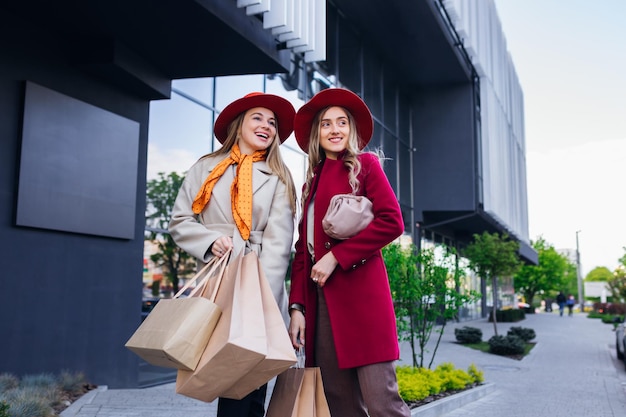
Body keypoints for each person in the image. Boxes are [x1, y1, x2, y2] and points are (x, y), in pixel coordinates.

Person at [168, 92, 297, 417]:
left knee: (249, 384)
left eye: (272, 122)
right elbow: (180, 221)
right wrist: (209, 241)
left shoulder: (278, 177)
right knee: (222, 377)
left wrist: (258, 301)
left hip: (258, 287)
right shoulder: (205, 169)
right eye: (258, 118)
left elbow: (279, 244)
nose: (266, 126)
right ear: (239, 124)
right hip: (218, 285)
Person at [287, 88, 411, 417]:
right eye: (326, 124)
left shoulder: (366, 166)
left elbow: (392, 222)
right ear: (317, 133)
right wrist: (297, 307)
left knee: (382, 402)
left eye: (342, 122)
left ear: (351, 131)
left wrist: (337, 257)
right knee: (338, 403)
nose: (335, 129)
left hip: (363, 301)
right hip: (321, 305)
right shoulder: (309, 185)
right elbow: (302, 253)